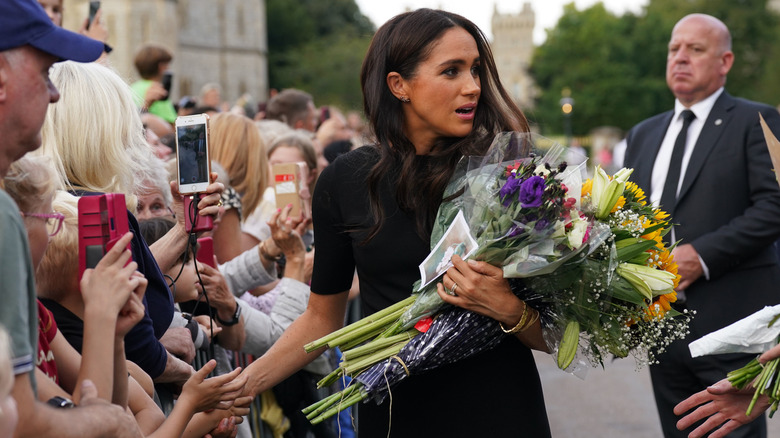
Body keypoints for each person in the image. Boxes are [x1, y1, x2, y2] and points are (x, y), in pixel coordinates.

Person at [240, 9, 551, 437]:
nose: (473, 86)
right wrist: (242, 387)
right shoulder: (344, 180)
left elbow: (555, 336)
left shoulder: (514, 177)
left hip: (500, 409)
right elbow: (321, 318)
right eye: (452, 71)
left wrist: (507, 307)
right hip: (394, 412)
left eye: (476, 70)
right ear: (398, 85)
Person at [623, 13, 780, 438]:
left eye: (696, 49)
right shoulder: (642, 133)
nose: (681, 58)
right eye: (675, 49)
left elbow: (774, 206)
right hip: (661, 328)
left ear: (724, 61)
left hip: (732, 326)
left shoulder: (756, 120)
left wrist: (702, 257)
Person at [0, 0, 141, 436]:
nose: (55, 92)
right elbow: (23, 420)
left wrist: (110, 334)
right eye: (44, 73)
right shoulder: (5, 217)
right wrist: (110, 420)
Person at [674, 343, 780, 438]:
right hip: (667, 347)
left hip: (724, 342)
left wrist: (772, 380)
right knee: (682, 424)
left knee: (734, 427)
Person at [131, 43, 177, 123]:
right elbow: (172, 126)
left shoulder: (132, 88)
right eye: (167, 64)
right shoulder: (157, 91)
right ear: (161, 66)